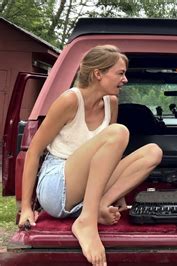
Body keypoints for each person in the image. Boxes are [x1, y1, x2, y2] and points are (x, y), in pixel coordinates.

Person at [18, 45, 163, 266]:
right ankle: (87, 221)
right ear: (98, 74)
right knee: (118, 132)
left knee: (153, 152)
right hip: (58, 185)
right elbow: (34, 150)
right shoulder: (69, 101)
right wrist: (27, 207)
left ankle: (97, 207)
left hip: (86, 192)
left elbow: (111, 151)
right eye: (120, 73)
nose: (125, 80)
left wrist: (119, 195)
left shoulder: (111, 102)